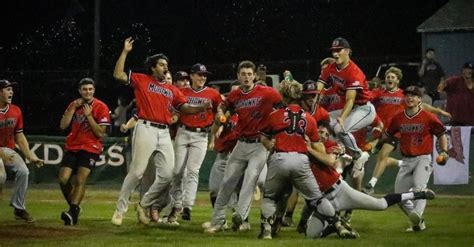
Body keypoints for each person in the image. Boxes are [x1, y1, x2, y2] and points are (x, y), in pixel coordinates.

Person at [111, 37, 210, 226]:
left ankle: (143, 204)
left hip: (164, 132)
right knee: (137, 172)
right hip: (145, 128)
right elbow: (118, 74)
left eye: (167, 65)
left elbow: (185, 108)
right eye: (162, 65)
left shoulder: (172, 90)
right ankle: (120, 210)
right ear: (153, 67)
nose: (166, 68)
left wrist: (201, 107)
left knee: (167, 175)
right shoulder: (142, 79)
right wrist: (125, 52)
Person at [303, 123, 437, 238]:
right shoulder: (299, 153)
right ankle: (334, 226)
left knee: (380, 205)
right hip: (323, 200)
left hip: (340, 191)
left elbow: (330, 161)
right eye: (319, 131)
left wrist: (309, 149)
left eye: (326, 134)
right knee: (311, 235)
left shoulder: (330, 145)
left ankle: (416, 194)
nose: (322, 135)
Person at [259, 80, 347, 240]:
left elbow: (263, 137)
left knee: (270, 197)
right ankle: (339, 225)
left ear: (284, 97)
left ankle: (266, 230)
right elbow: (318, 146)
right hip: (301, 160)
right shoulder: (310, 118)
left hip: (280, 158)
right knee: (317, 199)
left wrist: (268, 143)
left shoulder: (274, 115)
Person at [203, 60, 282, 233]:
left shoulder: (267, 92)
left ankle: (240, 216)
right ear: (238, 76)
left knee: (250, 179)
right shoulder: (235, 95)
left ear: (254, 76)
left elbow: (282, 104)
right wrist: (220, 114)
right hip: (241, 143)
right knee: (227, 182)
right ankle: (217, 221)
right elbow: (223, 106)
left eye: (249, 74)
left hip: (259, 144)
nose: (246, 77)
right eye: (243, 74)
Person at [385, 86, 448, 232]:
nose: (409, 98)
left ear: (420, 99)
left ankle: (417, 217)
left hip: (423, 158)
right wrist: (377, 142)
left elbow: (441, 134)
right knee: (399, 197)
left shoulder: (428, 116)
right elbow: (389, 135)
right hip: (406, 160)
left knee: (420, 189)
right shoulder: (398, 117)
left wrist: (444, 151)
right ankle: (418, 222)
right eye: (407, 95)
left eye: (413, 95)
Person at [167, 63, 222, 223]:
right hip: (183, 132)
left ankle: (187, 207)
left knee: (193, 171)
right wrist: (173, 118)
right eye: (199, 74)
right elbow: (176, 112)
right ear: (191, 76)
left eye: (204, 75)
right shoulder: (182, 92)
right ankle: (176, 204)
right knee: (177, 171)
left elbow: (220, 112)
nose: (202, 77)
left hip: (201, 135)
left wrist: (218, 125)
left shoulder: (213, 93)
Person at [315, 37, 375, 180]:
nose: (335, 54)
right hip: (352, 108)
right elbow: (319, 87)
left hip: (364, 109)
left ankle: (359, 156)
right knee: (323, 120)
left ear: (347, 51)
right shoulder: (331, 68)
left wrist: (342, 117)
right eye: (333, 51)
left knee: (340, 129)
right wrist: (313, 102)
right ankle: (342, 153)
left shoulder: (354, 72)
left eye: (338, 50)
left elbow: (350, 99)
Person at [58, 78, 111, 225]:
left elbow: (101, 133)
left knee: (81, 179)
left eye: (90, 89)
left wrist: (89, 115)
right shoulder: (74, 105)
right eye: (84, 89)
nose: (87, 92)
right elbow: (63, 126)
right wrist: (72, 108)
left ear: (94, 90)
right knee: (63, 180)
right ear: (80, 91)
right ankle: (74, 208)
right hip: (73, 146)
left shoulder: (101, 107)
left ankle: (73, 212)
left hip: (91, 147)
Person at [0, 79, 44, 223]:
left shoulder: (16, 110)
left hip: (7, 149)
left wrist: (31, 156)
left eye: (12, 89)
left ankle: (19, 208)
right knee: (1, 177)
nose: (11, 91)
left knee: (24, 172)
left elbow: (19, 136)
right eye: (7, 89)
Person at [437, 61, 474, 126]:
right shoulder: (455, 80)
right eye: (466, 69)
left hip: (471, 120)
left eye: (471, 70)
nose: (468, 72)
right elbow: (444, 84)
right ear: (462, 71)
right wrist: (442, 86)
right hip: (456, 120)